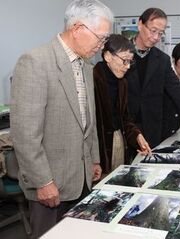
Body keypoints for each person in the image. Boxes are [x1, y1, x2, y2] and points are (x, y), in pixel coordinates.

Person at [10, 0, 113, 237]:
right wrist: (43, 182)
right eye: (101, 37)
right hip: (51, 184)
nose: (102, 45)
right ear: (77, 29)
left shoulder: (86, 65)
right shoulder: (36, 62)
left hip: (82, 178)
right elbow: (25, 134)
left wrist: (94, 159)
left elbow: (89, 120)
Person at [125, 8, 180, 148]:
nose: (156, 37)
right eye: (153, 30)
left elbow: (175, 87)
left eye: (160, 33)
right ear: (140, 24)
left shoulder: (162, 60)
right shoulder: (121, 53)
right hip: (125, 126)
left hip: (152, 130)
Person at [93, 34, 151, 172]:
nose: (128, 67)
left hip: (118, 141)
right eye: (124, 61)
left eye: (130, 62)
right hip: (97, 150)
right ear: (107, 56)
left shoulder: (122, 82)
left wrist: (137, 135)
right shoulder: (92, 79)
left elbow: (125, 118)